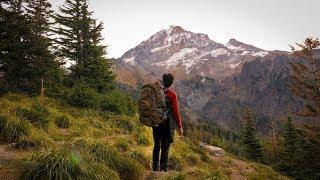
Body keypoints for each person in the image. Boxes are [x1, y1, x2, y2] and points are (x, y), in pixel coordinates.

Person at [152, 73, 183, 172]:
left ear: (163, 80)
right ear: (171, 82)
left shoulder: (157, 91)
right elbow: (175, 111)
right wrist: (179, 126)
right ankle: (163, 170)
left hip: (156, 122)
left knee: (156, 145)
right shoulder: (172, 94)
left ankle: (154, 168)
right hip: (167, 124)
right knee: (165, 147)